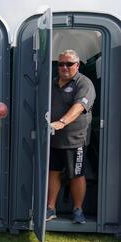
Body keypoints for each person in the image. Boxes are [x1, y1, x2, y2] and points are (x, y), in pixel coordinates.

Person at [46, 50, 96, 224]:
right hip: (53, 138)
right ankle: (50, 209)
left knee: (76, 174)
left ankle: (78, 210)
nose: (64, 67)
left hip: (75, 139)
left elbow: (79, 106)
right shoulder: (53, 83)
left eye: (69, 64)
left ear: (77, 65)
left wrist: (62, 121)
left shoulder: (84, 83)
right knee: (53, 172)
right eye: (61, 64)